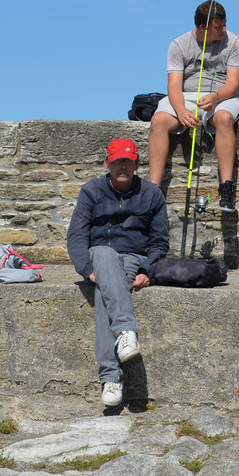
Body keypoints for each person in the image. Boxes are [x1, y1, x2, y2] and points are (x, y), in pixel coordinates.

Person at [67, 138, 168, 407]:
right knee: (103, 253)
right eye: (117, 161)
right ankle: (126, 331)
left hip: (133, 258)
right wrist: (86, 270)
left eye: (128, 161)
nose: (122, 166)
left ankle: (111, 378)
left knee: (105, 293)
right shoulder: (91, 191)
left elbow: (159, 241)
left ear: (137, 164)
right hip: (99, 257)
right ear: (106, 164)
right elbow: (77, 235)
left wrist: (147, 269)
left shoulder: (151, 194)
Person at [148, 0, 239, 212]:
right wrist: (181, 110)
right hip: (185, 97)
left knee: (224, 119)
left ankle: (226, 188)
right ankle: (154, 190)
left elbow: (233, 84)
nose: (224, 30)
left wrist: (215, 97)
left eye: (224, 24)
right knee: (158, 121)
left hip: (223, 96)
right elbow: (173, 85)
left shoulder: (236, 42)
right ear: (203, 27)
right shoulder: (178, 44)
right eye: (218, 26)